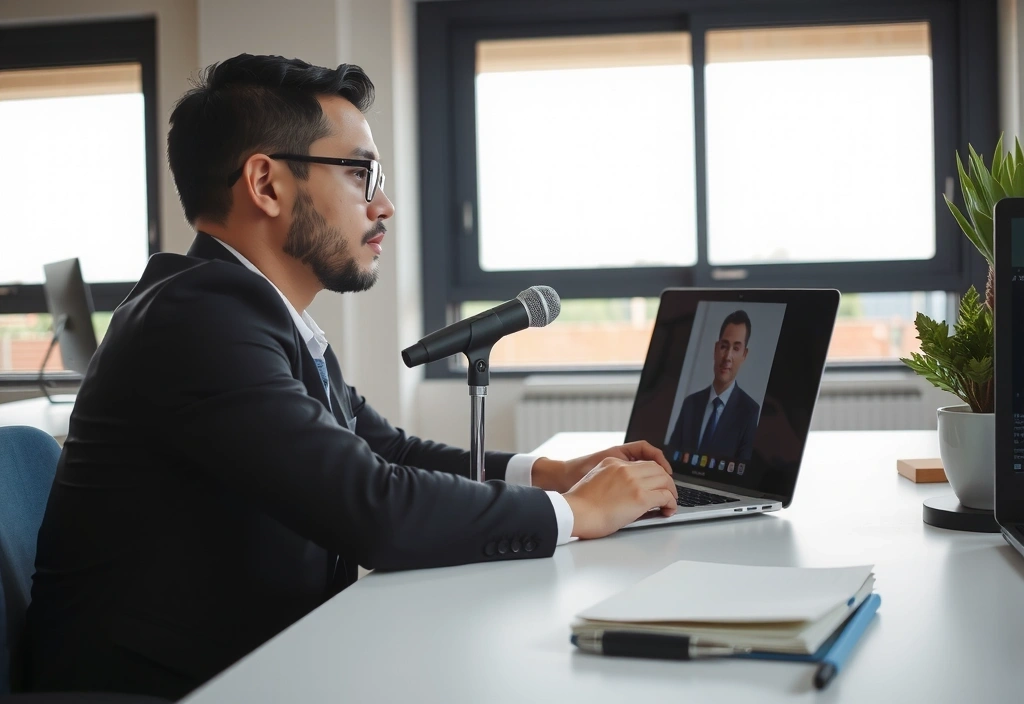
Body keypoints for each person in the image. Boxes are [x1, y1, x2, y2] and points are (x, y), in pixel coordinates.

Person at [23, 54, 679, 700]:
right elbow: (373, 507)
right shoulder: (196, 322)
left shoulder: (256, 314)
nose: (384, 205)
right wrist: (576, 512)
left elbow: (385, 450)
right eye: (362, 173)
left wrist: (546, 474)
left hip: (263, 659)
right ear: (267, 184)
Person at [667, 310, 760, 460]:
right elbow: (670, 456)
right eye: (724, 346)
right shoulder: (690, 403)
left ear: (744, 355)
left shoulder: (750, 412)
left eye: (736, 348)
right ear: (716, 348)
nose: (727, 357)